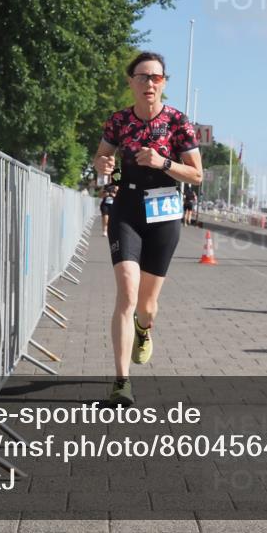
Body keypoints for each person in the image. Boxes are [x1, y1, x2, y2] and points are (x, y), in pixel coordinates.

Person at [93, 52, 202, 405]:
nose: (150, 83)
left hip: (163, 211)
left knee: (147, 305)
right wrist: (104, 164)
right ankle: (121, 382)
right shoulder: (119, 120)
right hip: (127, 208)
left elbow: (196, 174)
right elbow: (101, 157)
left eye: (156, 77)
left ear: (164, 83)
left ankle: (144, 327)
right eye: (143, 77)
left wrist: (163, 162)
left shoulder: (178, 122)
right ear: (131, 82)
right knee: (127, 293)